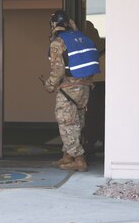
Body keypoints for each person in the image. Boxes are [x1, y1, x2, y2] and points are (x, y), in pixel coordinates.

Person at [43, 10, 100, 172]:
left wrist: (50, 85)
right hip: (85, 87)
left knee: (66, 122)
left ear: (54, 25)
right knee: (77, 122)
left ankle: (79, 159)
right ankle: (68, 156)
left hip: (68, 89)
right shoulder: (83, 39)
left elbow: (58, 71)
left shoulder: (58, 43)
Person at [81, 20, 106, 161]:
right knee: (101, 114)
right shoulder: (102, 45)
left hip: (92, 83)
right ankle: (101, 141)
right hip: (103, 83)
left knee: (91, 115)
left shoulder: (86, 44)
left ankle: (90, 144)